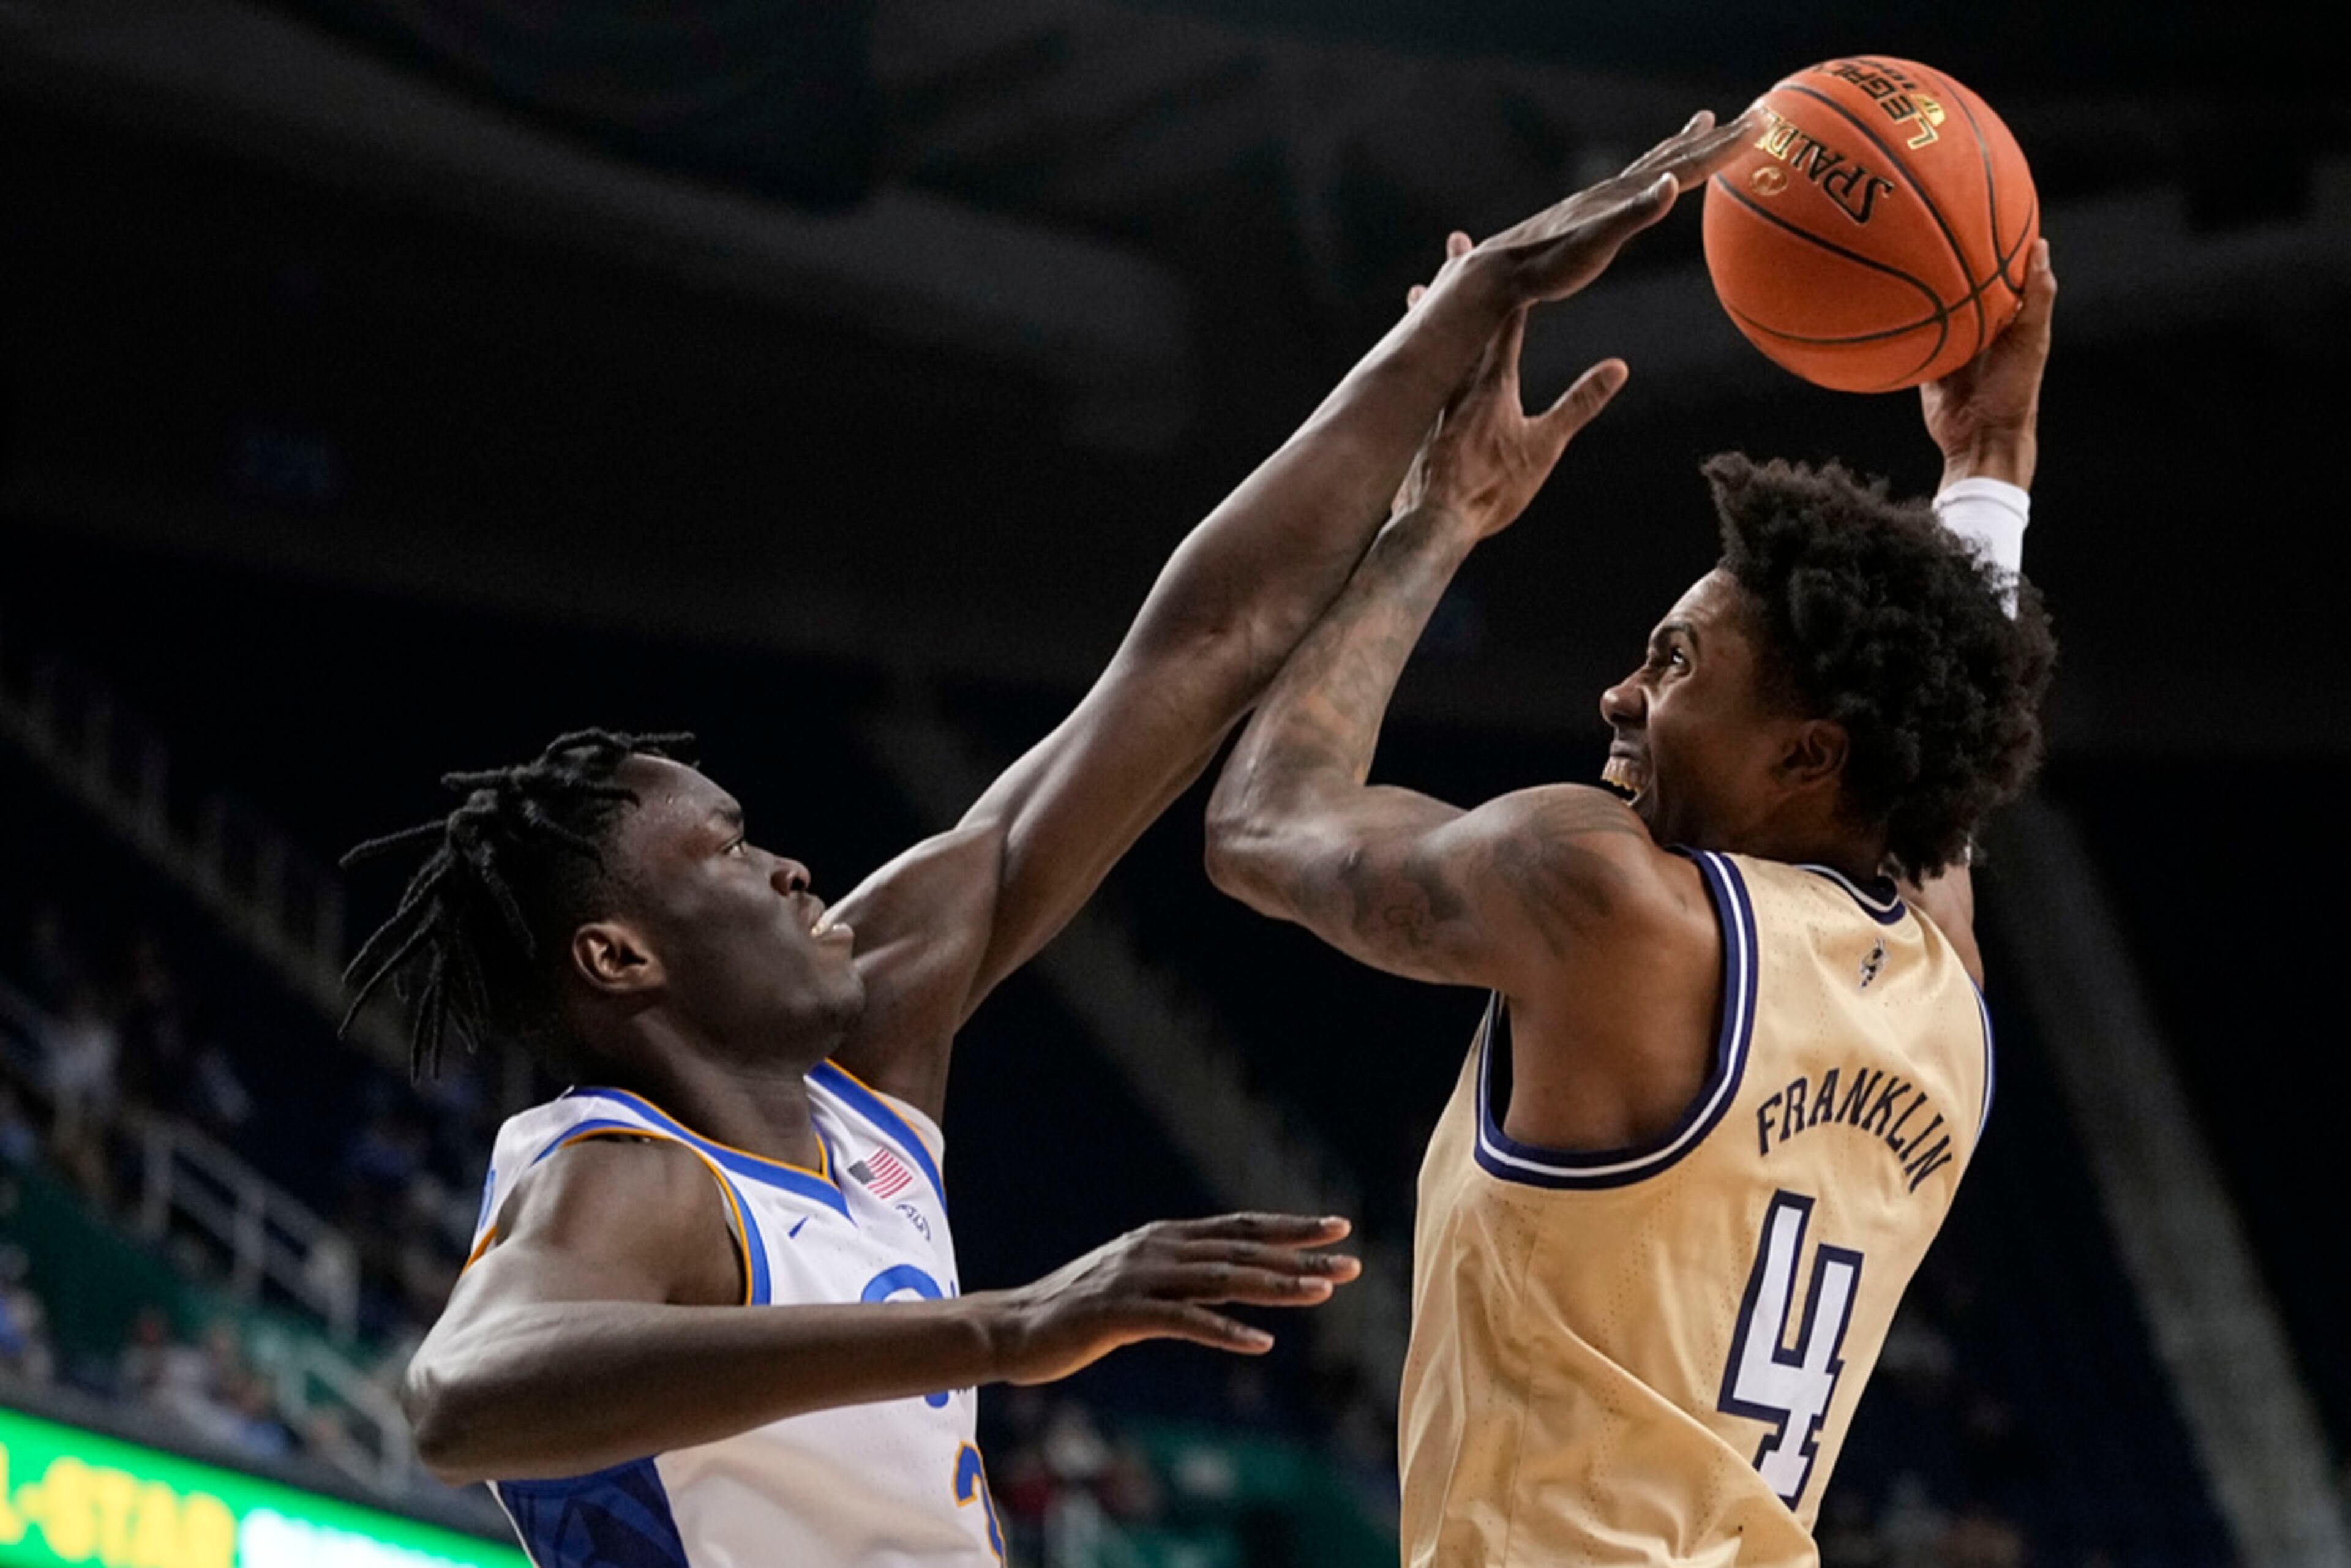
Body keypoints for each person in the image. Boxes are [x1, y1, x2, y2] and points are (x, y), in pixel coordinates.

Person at [339, 108, 1762, 1567]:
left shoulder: (870, 1048)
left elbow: (1202, 648)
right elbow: (459, 1400)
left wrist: (1450, 383)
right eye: (724, 854)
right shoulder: (626, 1172)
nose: (788, 867)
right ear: (616, 954)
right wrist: (1012, 1328)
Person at [1204, 211, 2059, 1562]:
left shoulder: (1607, 898)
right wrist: (1986, 465)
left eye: (1671, 664)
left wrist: (1439, 520)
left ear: (1807, 754)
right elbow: (1937, 807)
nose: (1618, 692)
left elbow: (1262, 825)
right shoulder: (1948, 1003)